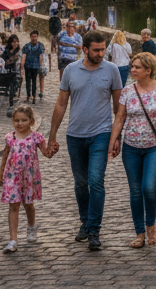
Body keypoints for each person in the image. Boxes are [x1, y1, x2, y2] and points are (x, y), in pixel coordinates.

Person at [46, 30, 124, 251]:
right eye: (96, 50)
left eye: (103, 49)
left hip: (101, 133)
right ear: (85, 49)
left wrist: (117, 137)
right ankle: (85, 221)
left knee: (96, 180)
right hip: (75, 135)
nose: (100, 53)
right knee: (80, 183)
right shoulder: (71, 70)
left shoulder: (112, 70)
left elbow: (118, 108)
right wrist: (52, 136)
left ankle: (94, 229)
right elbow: (61, 104)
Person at [109, 52, 156, 249]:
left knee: (148, 188)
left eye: (137, 67)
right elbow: (119, 118)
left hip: (154, 147)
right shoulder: (127, 91)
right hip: (131, 147)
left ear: (148, 70)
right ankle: (140, 233)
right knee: (135, 191)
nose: (133, 69)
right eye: (132, 66)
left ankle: (151, 226)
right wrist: (113, 141)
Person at [0, 105, 48, 252]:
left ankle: (31, 226)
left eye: (23, 120)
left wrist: (52, 149)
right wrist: (1, 175)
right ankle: (13, 240)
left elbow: (46, 153)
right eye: (16, 120)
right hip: (12, 176)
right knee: (13, 205)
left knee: (28, 205)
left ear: (31, 121)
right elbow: (5, 155)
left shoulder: (36, 137)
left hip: (29, 178)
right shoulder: (10, 137)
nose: (19, 123)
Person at [23, 31, 47, 104]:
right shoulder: (27, 46)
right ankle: (28, 95)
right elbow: (23, 55)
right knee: (27, 81)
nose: (34, 38)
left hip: (36, 66)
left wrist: (42, 65)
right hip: (27, 65)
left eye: (35, 36)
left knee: (34, 81)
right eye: (32, 36)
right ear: (30, 37)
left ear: (37, 37)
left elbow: (42, 56)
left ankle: (34, 96)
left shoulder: (40, 46)